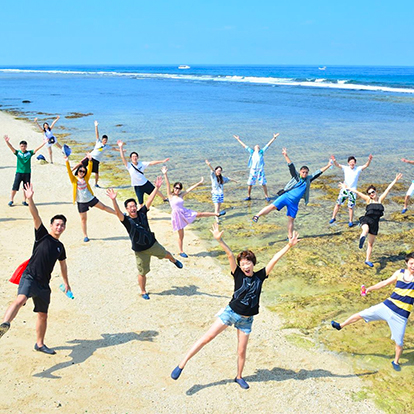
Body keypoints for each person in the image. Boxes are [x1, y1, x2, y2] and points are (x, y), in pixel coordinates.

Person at [171, 223, 299, 389]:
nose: (245, 266)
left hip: (247, 320)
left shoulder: (261, 276)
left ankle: (238, 376)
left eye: (248, 263)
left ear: (253, 263)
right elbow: (230, 254)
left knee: (241, 351)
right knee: (208, 337)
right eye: (243, 264)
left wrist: (288, 245)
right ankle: (182, 363)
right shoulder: (237, 273)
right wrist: (219, 239)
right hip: (230, 313)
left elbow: (275, 258)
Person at [330, 248, 414, 371]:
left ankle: (396, 362)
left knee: (399, 343)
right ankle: (341, 325)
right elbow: (384, 283)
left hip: (401, 316)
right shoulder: (399, 273)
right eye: (411, 263)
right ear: (406, 263)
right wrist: (369, 289)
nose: (413, 266)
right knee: (361, 315)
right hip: (387, 306)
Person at [0, 183, 71, 355]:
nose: (59, 227)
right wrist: (30, 199)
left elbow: (63, 265)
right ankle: (5, 323)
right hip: (30, 277)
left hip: (44, 285)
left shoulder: (60, 247)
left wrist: (66, 283)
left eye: (62, 225)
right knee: (20, 299)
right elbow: (35, 215)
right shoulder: (42, 235)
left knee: (43, 315)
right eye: (57, 224)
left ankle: (40, 344)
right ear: (51, 225)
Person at [106, 183, 183, 300]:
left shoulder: (142, 213)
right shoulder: (126, 220)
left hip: (152, 244)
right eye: (130, 207)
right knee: (142, 272)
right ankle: (143, 291)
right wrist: (113, 200)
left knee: (166, 254)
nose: (133, 208)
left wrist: (156, 188)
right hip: (140, 250)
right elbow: (117, 213)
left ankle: (173, 260)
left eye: (134, 206)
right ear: (127, 209)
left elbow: (149, 200)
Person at [252, 148, 332, 239]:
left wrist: (328, 165)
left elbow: (319, 172)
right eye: (303, 172)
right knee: (272, 206)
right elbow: (291, 166)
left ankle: (289, 237)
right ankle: (257, 215)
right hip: (286, 196)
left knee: (291, 219)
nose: (305, 174)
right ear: (300, 172)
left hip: (294, 203)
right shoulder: (296, 176)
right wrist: (286, 155)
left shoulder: (308, 179)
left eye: (306, 172)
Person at [344, 172, 402, 267]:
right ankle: (362, 239)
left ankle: (367, 260)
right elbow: (357, 192)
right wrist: (347, 188)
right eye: (369, 193)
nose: (371, 194)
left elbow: (388, 189)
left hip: (375, 223)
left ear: (376, 192)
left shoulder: (380, 200)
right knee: (365, 230)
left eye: (372, 192)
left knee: (370, 244)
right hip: (367, 219)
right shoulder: (368, 200)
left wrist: (395, 180)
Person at [162, 166, 217, 258]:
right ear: (174, 188)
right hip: (177, 216)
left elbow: (190, 189)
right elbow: (167, 184)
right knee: (181, 235)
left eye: (179, 188)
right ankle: (181, 251)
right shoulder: (170, 196)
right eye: (176, 188)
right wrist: (165, 174)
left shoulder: (181, 195)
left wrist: (199, 182)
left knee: (199, 214)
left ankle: (216, 214)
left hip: (184, 212)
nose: (177, 190)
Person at [65, 152, 116, 242]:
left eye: (84, 172)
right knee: (83, 219)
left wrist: (90, 160)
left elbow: (90, 169)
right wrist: (67, 161)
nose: (82, 173)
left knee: (103, 207)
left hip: (90, 198)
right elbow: (69, 171)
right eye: (80, 171)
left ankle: (118, 213)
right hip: (81, 202)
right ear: (78, 172)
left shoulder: (86, 178)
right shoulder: (74, 179)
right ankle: (85, 236)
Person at [118, 140, 169, 206]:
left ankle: (164, 198)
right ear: (130, 158)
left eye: (136, 156)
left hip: (145, 183)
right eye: (133, 157)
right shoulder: (129, 166)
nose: (134, 158)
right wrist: (121, 147)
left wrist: (162, 161)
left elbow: (151, 163)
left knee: (155, 190)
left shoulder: (142, 164)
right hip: (137, 186)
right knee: (140, 203)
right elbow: (122, 157)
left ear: (138, 157)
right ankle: (142, 215)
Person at [329, 154, 373, 227]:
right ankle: (333, 218)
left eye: (353, 162)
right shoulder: (345, 168)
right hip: (344, 190)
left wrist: (369, 160)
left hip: (353, 191)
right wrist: (334, 161)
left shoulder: (358, 169)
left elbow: (366, 165)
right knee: (338, 204)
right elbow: (338, 165)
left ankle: (350, 221)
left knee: (351, 207)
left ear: (355, 163)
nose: (352, 163)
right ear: (348, 163)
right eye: (350, 162)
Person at [233, 133, 279, 201]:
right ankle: (248, 196)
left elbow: (268, 145)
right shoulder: (251, 152)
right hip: (253, 170)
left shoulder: (261, 152)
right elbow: (244, 146)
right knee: (250, 183)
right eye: (256, 146)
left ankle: (266, 196)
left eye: (258, 146)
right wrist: (238, 139)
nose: (257, 146)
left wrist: (274, 138)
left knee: (263, 183)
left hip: (260, 170)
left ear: (259, 148)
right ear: (254, 148)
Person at [4, 136, 47, 206]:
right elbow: (11, 147)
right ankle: (11, 200)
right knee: (15, 187)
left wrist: (44, 143)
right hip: (19, 172)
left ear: (26, 146)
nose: (23, 147)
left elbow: (36, 149)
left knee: (26, 188)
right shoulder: (18, 153)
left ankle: (24, 200)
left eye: (24, 146)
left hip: (27, 173)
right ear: (20, 147)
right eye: (21, 146)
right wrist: (7, 141)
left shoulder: (29, 153)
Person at [84, 120, 108, 188]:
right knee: (82, 165)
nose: (105, 141)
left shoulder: (106, 147)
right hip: (91, 157)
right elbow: (97, 134)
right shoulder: (98, 142)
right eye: (104, 140)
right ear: (102, 139)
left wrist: (121, 150)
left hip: (97, 160)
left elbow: (114, 149)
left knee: (96, 173)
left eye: (106, 140)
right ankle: (74, 173)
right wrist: (96, 126)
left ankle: (96, 184)